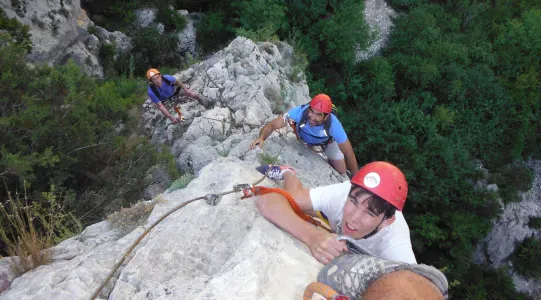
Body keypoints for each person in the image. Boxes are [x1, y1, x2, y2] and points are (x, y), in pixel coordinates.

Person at [255, 161, 416, 265]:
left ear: (386, 221)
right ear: (350, 193)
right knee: (294, 198)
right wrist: (313, 236)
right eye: (353, 202)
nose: (353, 218)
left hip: (331, 220)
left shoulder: (394, 243)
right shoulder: (343, 193)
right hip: (330, 217)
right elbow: (268, 200)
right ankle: (288, 172)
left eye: (369, 213)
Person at [249, 94, 358, 175]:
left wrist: (355, 177)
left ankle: (329, 159)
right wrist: (261, 137)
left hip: (327, 142)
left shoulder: (334, 125)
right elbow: (273, 125)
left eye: (318, 115)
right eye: (311, 111)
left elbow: (348, 152)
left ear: (326, 117)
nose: (312, 117)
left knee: (341, 171)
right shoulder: (300, 112)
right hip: (304, 137)